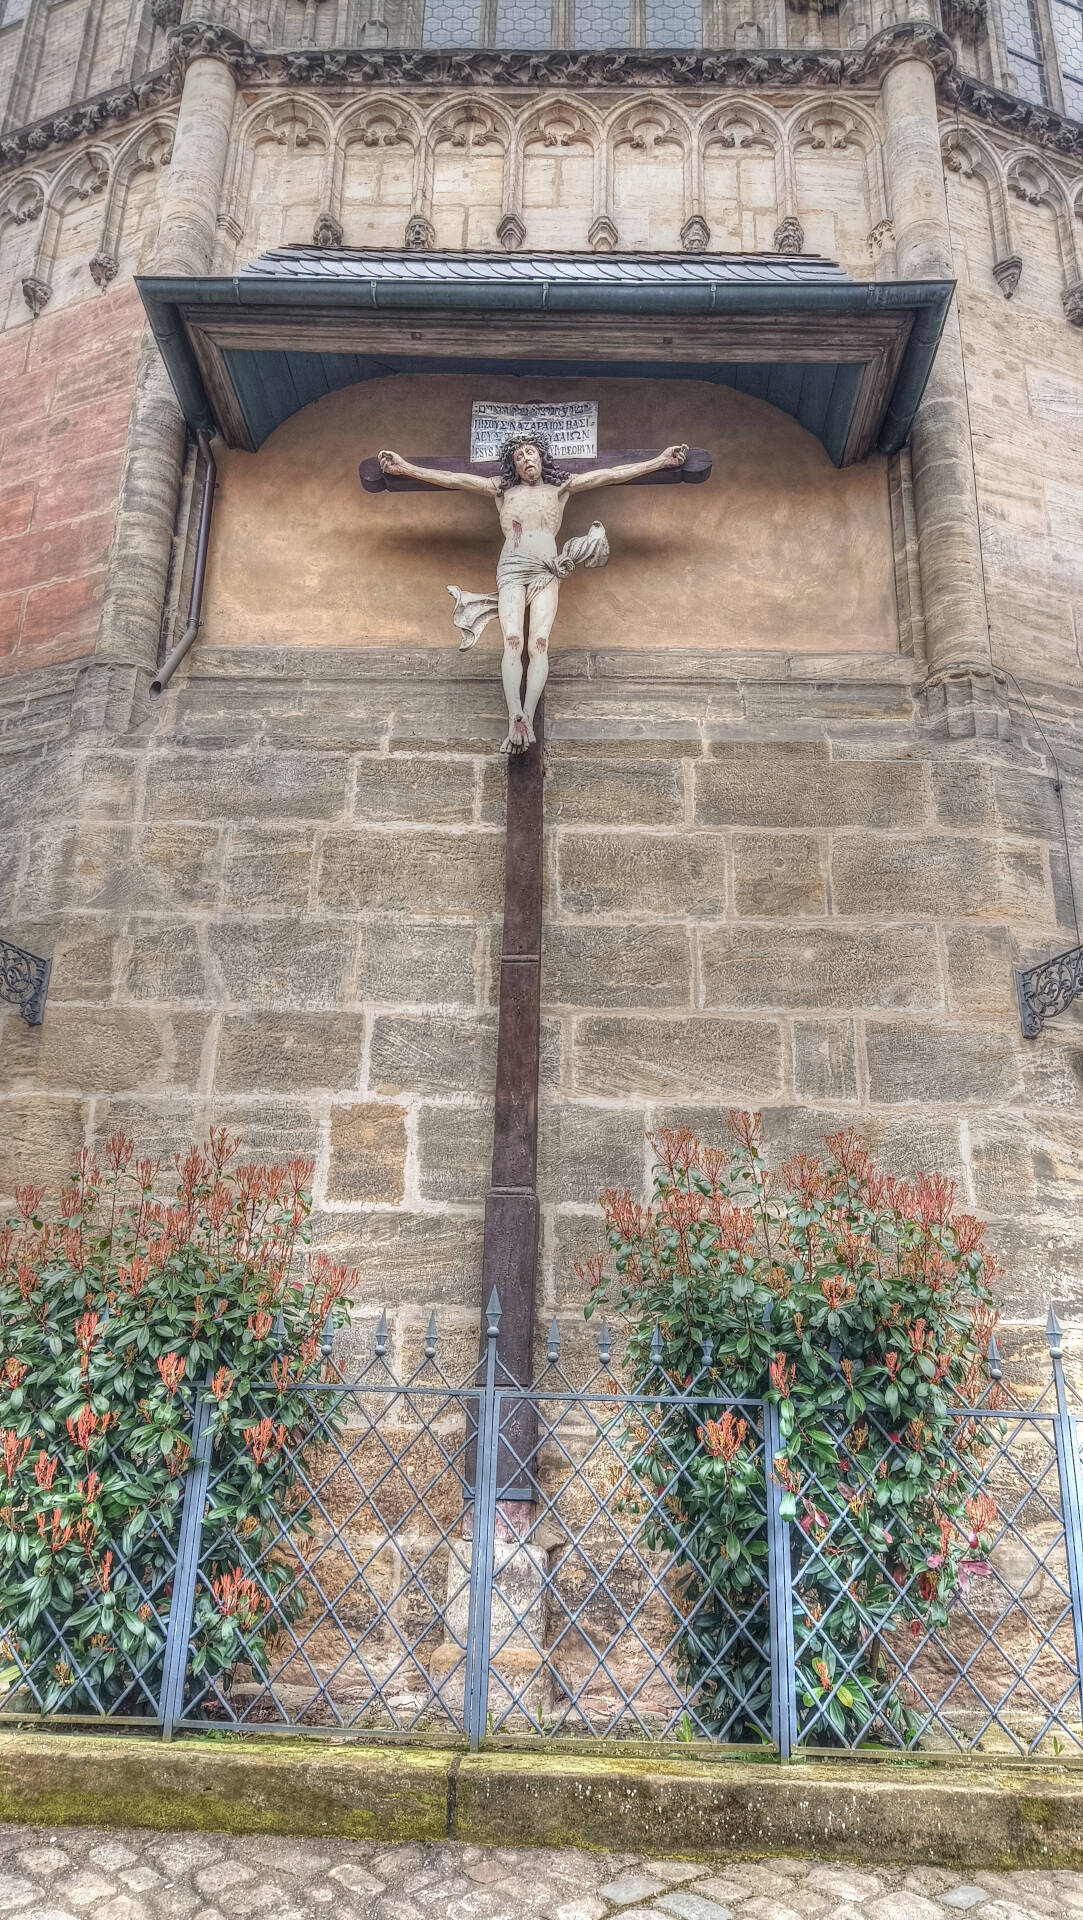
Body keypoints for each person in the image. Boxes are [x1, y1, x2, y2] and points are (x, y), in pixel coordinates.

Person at [377, 433, 689, 754]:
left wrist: (659, 462)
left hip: (545, 569)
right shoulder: (502, 490)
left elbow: (610, 474)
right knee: (512, 640)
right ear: (513, 466)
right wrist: (405, 468)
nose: (526, 459)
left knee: (539, 643)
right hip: (512, 568)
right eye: (519, 457)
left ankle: (526, 714)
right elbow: (453, 479)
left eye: (531, 453)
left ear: (542, 457)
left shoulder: (560, 489)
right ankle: (515, 713)